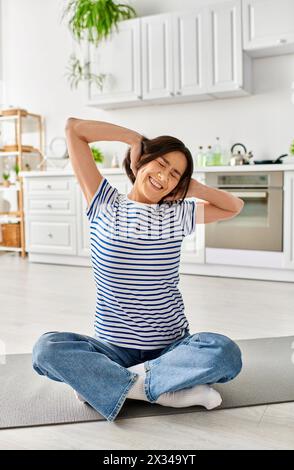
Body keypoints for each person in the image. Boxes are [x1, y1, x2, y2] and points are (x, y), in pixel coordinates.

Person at [32, 118, 244, 422]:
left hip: (171, 347)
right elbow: (73, 129)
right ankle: (162, 389)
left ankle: (113, 384)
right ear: (141, 162)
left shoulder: (178, 214)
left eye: (175, 174)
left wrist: (193, 187)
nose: (164, 176)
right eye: (160, 164)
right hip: (113, 347)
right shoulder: (103, 201)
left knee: (225, 352)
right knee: (46, 349)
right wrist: (134, 138)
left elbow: (234, 206)